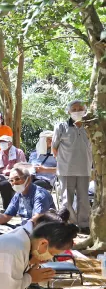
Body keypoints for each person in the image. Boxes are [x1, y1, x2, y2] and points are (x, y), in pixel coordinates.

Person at [52, 100, 92, 234]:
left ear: (85, 110)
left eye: (80, 108)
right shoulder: (61, 127)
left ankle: (84, 224)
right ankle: (72, 224)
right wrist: (64, 162)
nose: (77, 111)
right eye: (74, 109)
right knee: (67, 198)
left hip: (85, 168)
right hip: (66, 169)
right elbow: (54, 148)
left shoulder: (90, 126)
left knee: (84, 198)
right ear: (69, 112)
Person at [0, 163, 55, 229]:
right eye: (11, 181)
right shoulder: (18, 194)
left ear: (28, 179)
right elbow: (6, 216)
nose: (14, 183)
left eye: (17, 179)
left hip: (42, 230)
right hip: (25, 227)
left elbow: (37, 219)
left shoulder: (39, 195)